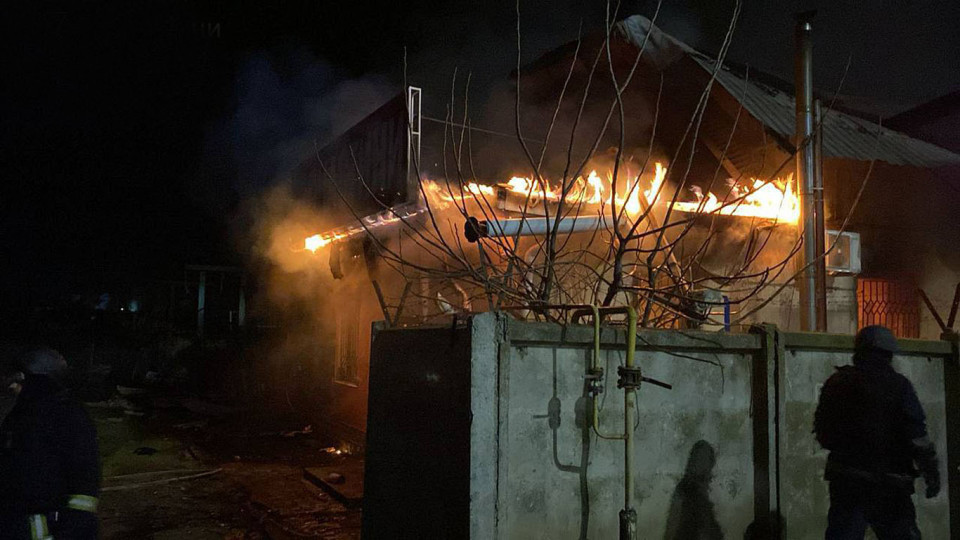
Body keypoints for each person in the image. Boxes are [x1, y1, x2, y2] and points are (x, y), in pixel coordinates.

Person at [814, 325, 940, 540]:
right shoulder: (899, 386)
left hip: (847, 480)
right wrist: (931, 473)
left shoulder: (838, 383)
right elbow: (917, 436)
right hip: (890, 484)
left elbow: (824, 433)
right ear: (888, 354)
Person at [0, 348, 100, 539]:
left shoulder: (64, 415)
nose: (12, 385)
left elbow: (83, 479)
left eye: (19, 378)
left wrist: (72, 528)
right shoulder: (20, 415)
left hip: (45, 528)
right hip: (19, 524)